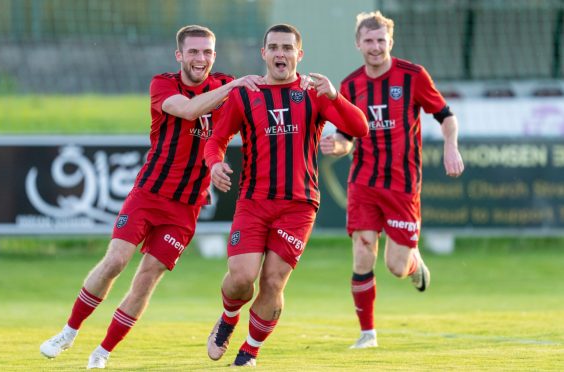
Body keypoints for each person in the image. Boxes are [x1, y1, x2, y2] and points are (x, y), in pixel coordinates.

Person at [39, 25, 266, 369]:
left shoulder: (223, 85)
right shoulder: (164, 84)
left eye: (206, 52)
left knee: (146, 279)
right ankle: (68, 333)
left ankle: (102, 353)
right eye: (193, 52)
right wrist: (235, 86)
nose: (200, 58)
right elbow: (189, 110)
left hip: (186, 208)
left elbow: (265, 98)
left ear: (214, 56)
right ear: (179, 56)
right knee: (115, 261)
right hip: (148, 194)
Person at [204, 24, 369, 367]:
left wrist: (336, 96)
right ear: (263, 53)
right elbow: (216, 139)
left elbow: (360, 128)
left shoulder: (314, 93)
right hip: (253, 201)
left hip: (298, 205)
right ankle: (228, 317)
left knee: (273, 281)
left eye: (287, 48)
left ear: (299, 54)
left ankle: (249, 351)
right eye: (274, 47)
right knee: (241, 278)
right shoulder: (245, 94)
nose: (281, 54)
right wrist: (214, 165)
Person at [320, 11, 465, 349]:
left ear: (390, 41)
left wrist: (450, 147)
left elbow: (446, 116)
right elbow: (346, 137)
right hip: (363, 182)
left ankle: (414, 265)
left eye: (380, 40)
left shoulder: (413, 76)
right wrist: (336, 146)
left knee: (396, 266)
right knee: (362, 253)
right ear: (358, 44)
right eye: (368, 41)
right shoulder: (350, 86)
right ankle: (367, 334)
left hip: (402, 184)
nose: (375, 47)